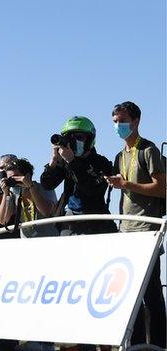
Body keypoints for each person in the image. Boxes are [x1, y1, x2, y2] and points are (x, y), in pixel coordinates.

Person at [105, 101, 166, 348]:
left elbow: (162, 188)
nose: (118, 126)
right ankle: (137, 343)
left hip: (147, 230)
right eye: (115, 122)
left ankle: (160, 344)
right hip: (126, 230)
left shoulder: (148, 150)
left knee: (151, 293)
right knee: (132, 294)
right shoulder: (120, 155)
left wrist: (126, 185)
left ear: (136, 121)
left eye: (122, 121)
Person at [40, 116, 117, 235]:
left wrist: (72, 162)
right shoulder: (65, 161)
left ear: (90, 139)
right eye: (69, 138)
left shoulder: (102, 163)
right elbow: (47, 185)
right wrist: (53, 162)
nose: (74, 141)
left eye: (79, 137)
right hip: (70, 222)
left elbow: (91, 189)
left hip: (97, 223)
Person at [0, 158, 58, 238]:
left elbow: (46, 211)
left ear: (27, 176)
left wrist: (30, 187)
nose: (14, 182)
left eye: (16, 177)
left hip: (48, 240)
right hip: (26, 243)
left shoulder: (44, 188)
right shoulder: (13, 193)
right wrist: (6, 193)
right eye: (10, 179)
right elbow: (3, 220)